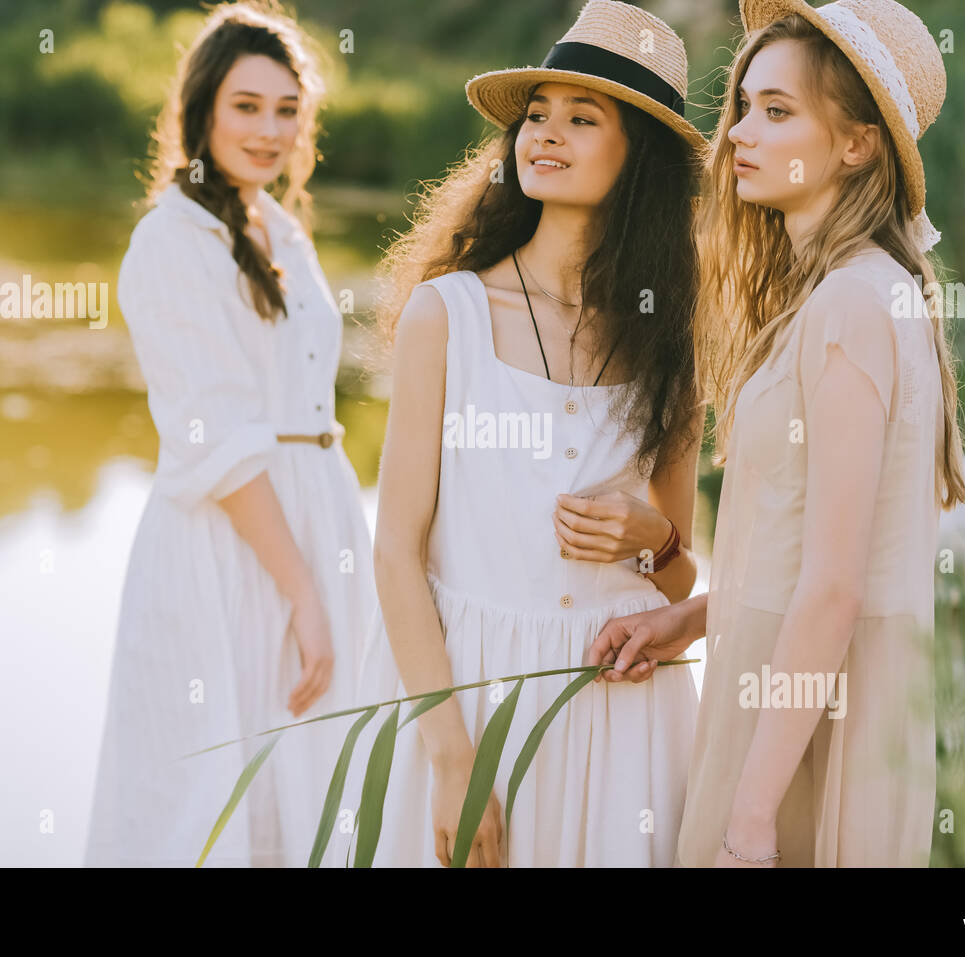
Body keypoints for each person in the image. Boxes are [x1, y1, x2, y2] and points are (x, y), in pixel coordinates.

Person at [588, 0, 965, 867]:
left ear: (856, 144)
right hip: (788, 699)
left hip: (797, 735)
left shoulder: (848, 307)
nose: (737, 136)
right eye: (744, 106)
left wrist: (751, 814)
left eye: (778, 111)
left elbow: (835, 590)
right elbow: (822, 558)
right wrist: (693, 617)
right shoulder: (859, 291)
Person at [350, 0, 707, 867]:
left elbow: (680, 578)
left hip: (624, 709)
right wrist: (449, 757)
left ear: (640, 160)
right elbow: (397, 552)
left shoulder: (672, 333)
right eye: (537, 116)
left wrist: (655, 539)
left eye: (582, 119)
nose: (545, 135)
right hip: (470, 695)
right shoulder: (451, 313)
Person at [85, 1, 375, 867]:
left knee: (306, 792)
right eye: (247, 106)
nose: (270, 128)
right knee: (212, 801)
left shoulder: (278, 229)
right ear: (202, 108)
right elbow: (219, 441)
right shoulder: (173, 242)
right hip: (230, 550)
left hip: (309, 524)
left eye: (288, 109)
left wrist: (326, 578)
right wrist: (303, 594)